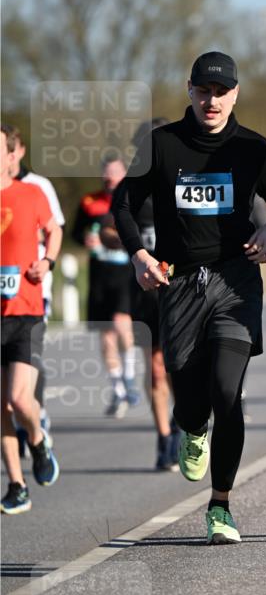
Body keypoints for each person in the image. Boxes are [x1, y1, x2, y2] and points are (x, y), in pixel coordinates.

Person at [112, 51, 266, 545]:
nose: (212, 101)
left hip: (235, 281)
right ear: (190, 91)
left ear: (235, 94)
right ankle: (191, 428)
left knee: (227, 391)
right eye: (204, 91)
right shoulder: (162, 145)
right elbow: (124, 204)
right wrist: (139, 255)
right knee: (190, 399)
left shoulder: (252, 148)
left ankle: (220, 507)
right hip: (177, 284)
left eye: (221, 92)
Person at [106, 118, 181, 470]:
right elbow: (110, 227)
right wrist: (123, 243)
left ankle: (183, 423)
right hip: (146, 289)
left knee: (180, 367)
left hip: (182, 286)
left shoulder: (185, 179)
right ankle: (164, 438)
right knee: (156, 368)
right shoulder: (130, 187)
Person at [1, 124, 62, 514]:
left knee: (18, 398)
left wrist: (48, 261)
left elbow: (54, 230)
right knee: (0, 409)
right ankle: (17, 485)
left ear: (10, 155)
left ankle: (37, 441)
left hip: (25, 309)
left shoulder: (31, 193)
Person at [73, 153, 139, 418]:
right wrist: (85, 240)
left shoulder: (133, 198)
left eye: (114, 172)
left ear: (124, 174)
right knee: (106, 334)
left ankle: (130, 377)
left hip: (126, 272)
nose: (109, 177)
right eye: (105, 172)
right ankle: (118, 389)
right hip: (100, 274)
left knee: (122, 323)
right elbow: (75, 232)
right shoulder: (90, 202)